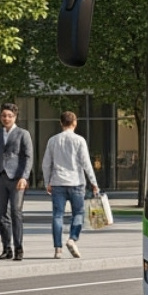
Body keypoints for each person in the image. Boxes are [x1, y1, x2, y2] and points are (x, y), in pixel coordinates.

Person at [42, 111, 99, 259]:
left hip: (57, 182)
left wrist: (47, 181)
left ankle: (57, 249)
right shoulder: (79, 140)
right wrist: (93, 182)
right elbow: (86, 163)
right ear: (75, 123)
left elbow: (46, 164)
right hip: (76, 182)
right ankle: (72, 239)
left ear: (61, 123)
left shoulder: (53, 141)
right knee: (78, 213)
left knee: (57, 215)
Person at [0, 103, 33, 261]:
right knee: (1, 214)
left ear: (15, 117)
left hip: (16, 178)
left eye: (9, 116)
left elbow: (28, 157)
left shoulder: (22, 134)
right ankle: (7, 248)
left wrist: (24, 177)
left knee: (16, 213)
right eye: (4, 115)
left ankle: (19, 248)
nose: (6, 118)